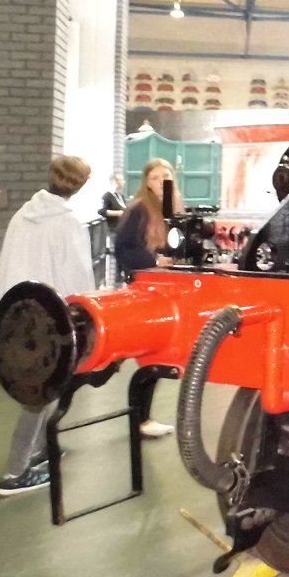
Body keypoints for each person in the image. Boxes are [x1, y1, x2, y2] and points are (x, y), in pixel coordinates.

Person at [0, 156, 96, 496]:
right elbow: (78, 276)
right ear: (79, 185)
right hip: (50, 318)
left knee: (41, 386)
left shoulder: (22, 216)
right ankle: (15, 472)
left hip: (16, 313)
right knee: (37, 395)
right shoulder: (68, 224)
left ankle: (38, 452)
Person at [114, 158, 182, 438]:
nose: (161, 180)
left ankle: (143, 419)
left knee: (156, 357)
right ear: (146, 182)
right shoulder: (140, 209)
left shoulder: (171, 207)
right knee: (149, 356)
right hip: (145, 288)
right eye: (155, 177)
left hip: (163, 287)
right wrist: (154, 259)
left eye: (166, 175)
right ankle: (140, 420)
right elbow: (124, 247)